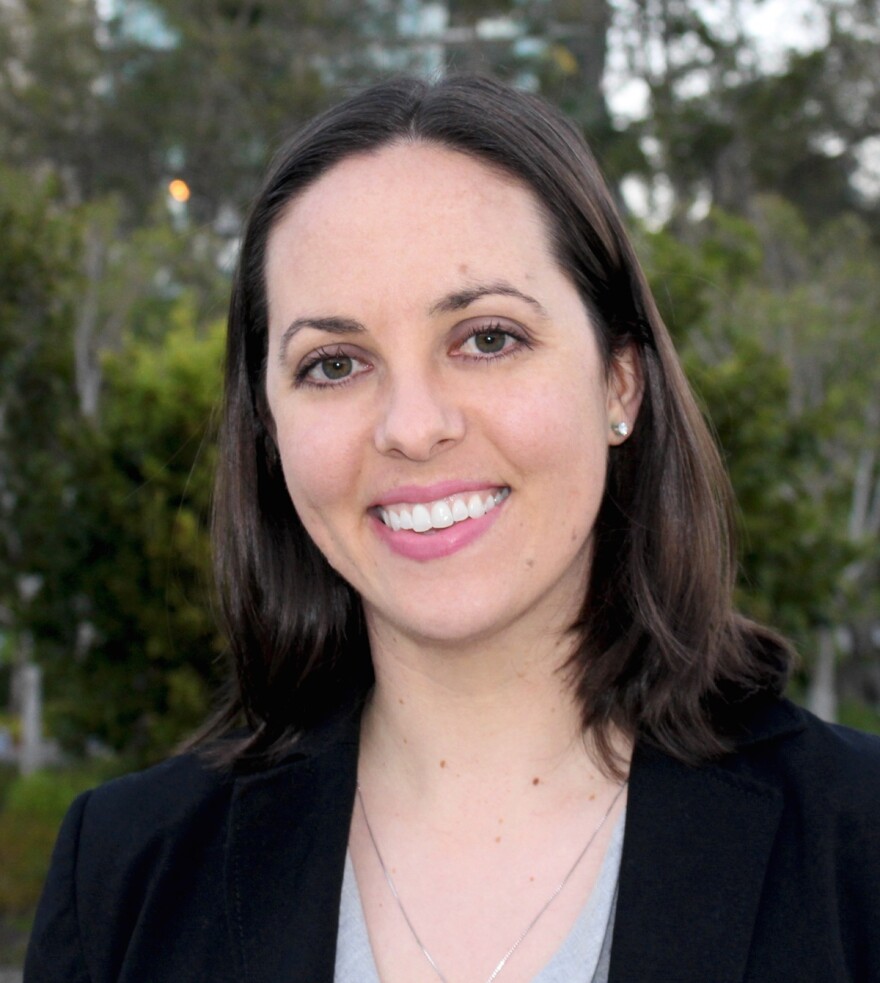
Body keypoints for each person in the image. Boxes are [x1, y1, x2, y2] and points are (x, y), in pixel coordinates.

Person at [25, 75, 880, 983]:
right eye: (335, 362)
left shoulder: (856, 843)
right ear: (269, 430)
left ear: (619, 382)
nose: (413, 424)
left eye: (487, 338)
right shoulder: (122, 877)